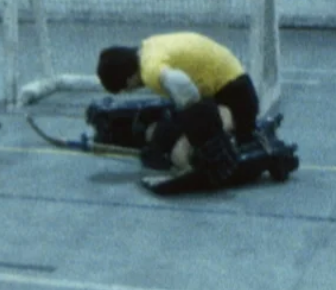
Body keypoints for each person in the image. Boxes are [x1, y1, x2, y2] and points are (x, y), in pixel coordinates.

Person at [96, 31, 260, 185]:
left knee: (180, 154)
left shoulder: (150, 71)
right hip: (228, 83)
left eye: (126, 88)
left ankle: (231, 136)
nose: (130, 91)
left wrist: (198, 130)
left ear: (129, 78)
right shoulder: (147, 47)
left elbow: (183, 85)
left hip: (236, 94)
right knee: (167, 130)